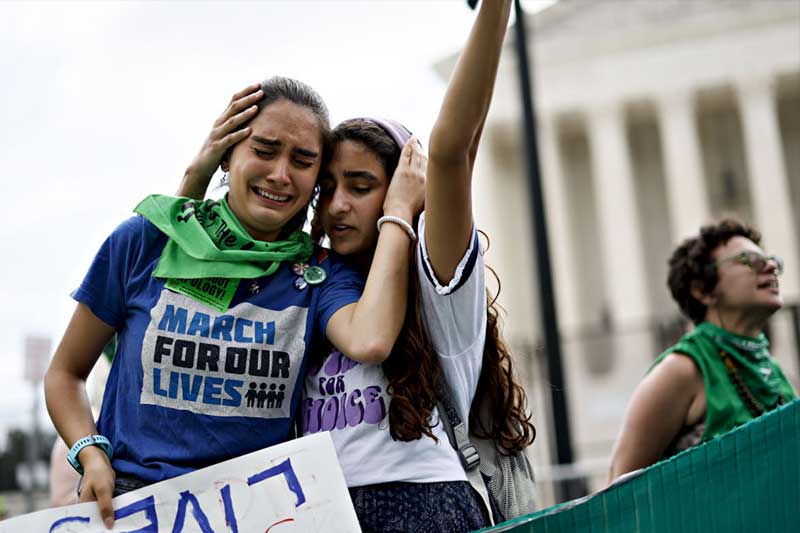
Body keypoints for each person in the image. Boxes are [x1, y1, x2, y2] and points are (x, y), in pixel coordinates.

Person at [180, 1, 534, 530]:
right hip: (319, 512)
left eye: (361, 187)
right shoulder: (304, 282)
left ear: (402, 192)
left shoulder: (433, 282)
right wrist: (201, 171)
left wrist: (494, 9)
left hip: (423, 506)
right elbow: (180, 281)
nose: (337, 204)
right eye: (328, 188)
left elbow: (453, 149)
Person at [44, 76, 422, 529]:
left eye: (302, 161)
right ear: (229, 152)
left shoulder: (317, 273)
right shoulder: (145, 241)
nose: (281, 174)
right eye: (263, 151)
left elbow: (371, 338)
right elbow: (65, 374)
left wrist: (398, 211)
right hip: (134, 508)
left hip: (257, 512)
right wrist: (89, 452)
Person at [608, 219, 797, 482]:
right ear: (703, 290)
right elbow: (618, 494)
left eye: (773, 260)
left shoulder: (772, 371)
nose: (771, 267)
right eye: (750, 260)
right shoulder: (682, 370)